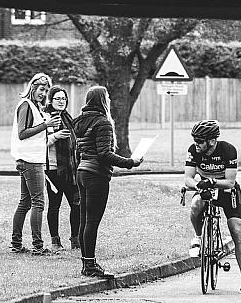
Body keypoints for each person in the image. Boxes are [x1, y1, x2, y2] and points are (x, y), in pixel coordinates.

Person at [73, 86, 143, 279]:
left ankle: (86, 263)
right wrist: (130, 162)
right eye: (108, 97)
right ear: (103, 100)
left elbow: (78, 151)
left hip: (82, 172)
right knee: (92, 222)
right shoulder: (102, 122)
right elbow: (104, 154)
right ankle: (90, 266)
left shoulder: (79, 121)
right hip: (96, 175)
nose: (110, 100)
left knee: (84, 220)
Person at [184, 120, 241, 293]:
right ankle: (198, 238)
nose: (196, 144)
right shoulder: (194, 151)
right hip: (206, 188)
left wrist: (212, 182)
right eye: (194, 140)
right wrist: (199, 186)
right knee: (196, 205)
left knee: (236, 229)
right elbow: (188, 179)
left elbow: (230, 182)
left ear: (212, 141)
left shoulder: (228, 150)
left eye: (199, 141)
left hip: (226, 190)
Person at [10, 72, 61, 255]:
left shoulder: (34, 106)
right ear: (33, 87)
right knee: (38, 202)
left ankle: (16, 244)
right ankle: (38, 246)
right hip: (30, 161)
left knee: (25, 203)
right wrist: (46, 125)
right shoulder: (25, 105)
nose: (44, 93)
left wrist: (47, 127)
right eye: (41, 89)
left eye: (46, 90)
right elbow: (22, 133)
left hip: (30, 159)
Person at [45, 85, 80, 250]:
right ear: (50, 100)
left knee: (76, 205)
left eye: (64, 98)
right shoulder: (45, 117)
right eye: (57, 98)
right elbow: (38, 143)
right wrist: (55, 136)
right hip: (53, 169)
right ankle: (55, 242)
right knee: (54, 206)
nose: (61, 101)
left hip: (71, 169)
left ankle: (75, 240)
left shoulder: (68, 118)